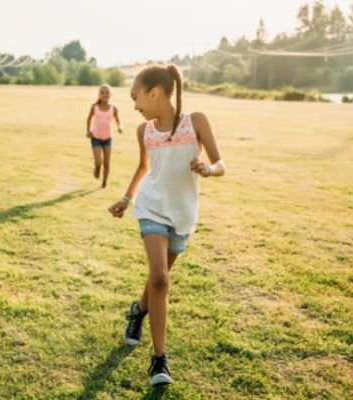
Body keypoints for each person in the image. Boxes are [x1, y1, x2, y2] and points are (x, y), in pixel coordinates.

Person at [108, 65, 225, 386]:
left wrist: (207, 168)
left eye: (136, 97)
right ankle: (159, 361)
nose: (134, 105)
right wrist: (127, 199)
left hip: (183, 214)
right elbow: (145, 167)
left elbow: (221, 164)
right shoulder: (143, 130)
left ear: (155, 92)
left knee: (159, 280)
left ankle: (137, 310)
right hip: (151, 208)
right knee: (159, 278)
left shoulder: (196, 122)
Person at [86, 84, 123, 188]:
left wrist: (120, 127)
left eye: (107, 93)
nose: (104, 95)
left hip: (108, 138)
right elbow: (89, 119)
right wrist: (88, 131)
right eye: (102, 93)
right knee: (99, 161)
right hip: (96, 138)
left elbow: (118, 121)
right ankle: (97, 167)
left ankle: (104, 182)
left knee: (106, 163)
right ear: (99, 95)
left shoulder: (113, 108)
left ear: (110, 94)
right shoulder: (94, 107)